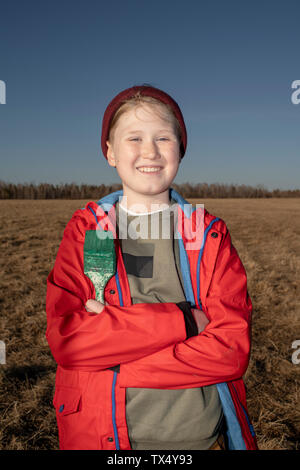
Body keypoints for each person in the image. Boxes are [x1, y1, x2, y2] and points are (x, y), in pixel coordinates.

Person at [46, 85, 258, 451]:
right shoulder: (86, 232)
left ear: (180, 149)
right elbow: (70, 340)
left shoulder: (208, 236)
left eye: (163, 137)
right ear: (110, 152)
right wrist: (185, 322)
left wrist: (114, 354)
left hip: (198, 440)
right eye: (134, 138)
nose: (150, 151)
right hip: (101, 439)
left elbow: (230, 349)